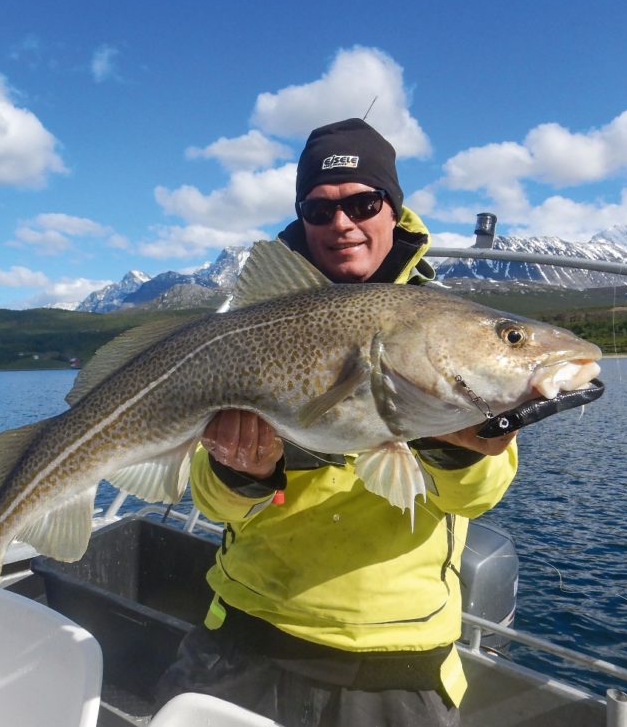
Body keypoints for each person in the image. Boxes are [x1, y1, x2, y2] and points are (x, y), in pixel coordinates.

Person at [155, 118, 519, 727]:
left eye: (362, 202)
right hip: (247, 633)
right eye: (318, 212)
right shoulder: (254, 324)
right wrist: (239, 470)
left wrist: (458, 448)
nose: (342, 224)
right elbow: (214, 504)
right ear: (301, 221)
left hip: (395, 662)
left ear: (393, 210)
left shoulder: (448, 328)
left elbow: (478, 496)